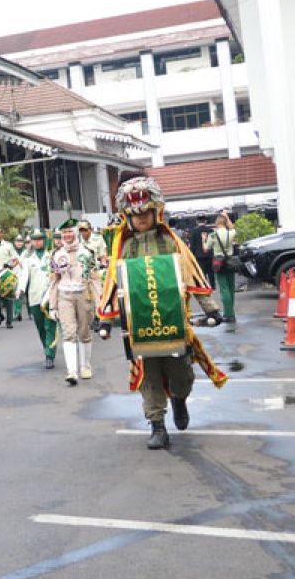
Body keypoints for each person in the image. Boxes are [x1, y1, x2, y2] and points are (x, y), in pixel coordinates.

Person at [99, 177, 226, 450]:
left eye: (145, 212)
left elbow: (192, 272)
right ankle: (157, 425)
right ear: (127, 216)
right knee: (149, 376)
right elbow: (113, 281)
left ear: (155, 212)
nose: (141, 218)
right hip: (140, 326)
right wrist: (106, 320)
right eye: (135, 214)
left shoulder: (171, 242)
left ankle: (179, 400)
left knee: (181, 375)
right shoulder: (124, 247)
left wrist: (211, 309)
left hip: (173, 321)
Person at [48, 220, 99, 386]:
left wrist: (100, 302)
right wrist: (52, 305)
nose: (67, 236)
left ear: (75, 233)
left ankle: (85, 366)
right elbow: (54, 281)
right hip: (64, 295)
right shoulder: (56, 254)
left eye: (70, 232)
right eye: (64, 233)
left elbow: (94, 278)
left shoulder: (87, 252)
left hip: (83, 293)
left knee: (84, 331)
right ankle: (72, 371)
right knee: (68, 333)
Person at [17, 230, 57, 368]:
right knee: (40, 327)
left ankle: (49, 354)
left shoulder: (51, 256)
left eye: (40, 239)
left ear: (44, 240)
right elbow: (24, 276)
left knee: (50, 325)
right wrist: (20, 289)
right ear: (32, 242)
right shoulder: (28, 260)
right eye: (35, 240)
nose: (37, 242)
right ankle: (47, 347)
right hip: (34, 297)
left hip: (50, 296)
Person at [203, 211, 238, 332]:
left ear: (217, 223)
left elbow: (206, 249)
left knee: (224, 289)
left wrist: (204, 239)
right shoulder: (230, 233)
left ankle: (229, 315)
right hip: (230, 262)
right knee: (231, 287)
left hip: (219, 263)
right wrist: (227, 216)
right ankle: (231, 312)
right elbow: (232, 227)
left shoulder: (213, 235)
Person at [10, 234, 27, 322]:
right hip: (13, 275)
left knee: (19, 294)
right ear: (14, 242)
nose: (19, 243)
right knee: (14, 294)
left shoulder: (26, 252)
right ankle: (16, 312)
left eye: (21, 241)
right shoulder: (11, 252)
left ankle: (18, 312)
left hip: (23, 275)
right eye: (17, 241)